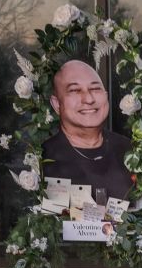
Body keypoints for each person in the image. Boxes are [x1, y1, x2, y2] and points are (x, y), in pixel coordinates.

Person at [41, 60, 132, 201]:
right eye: (75, 90)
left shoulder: (130, 151)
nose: (88, 99)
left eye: (95, 89)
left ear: (106, 96)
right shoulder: (42, 157)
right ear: (57, 103)